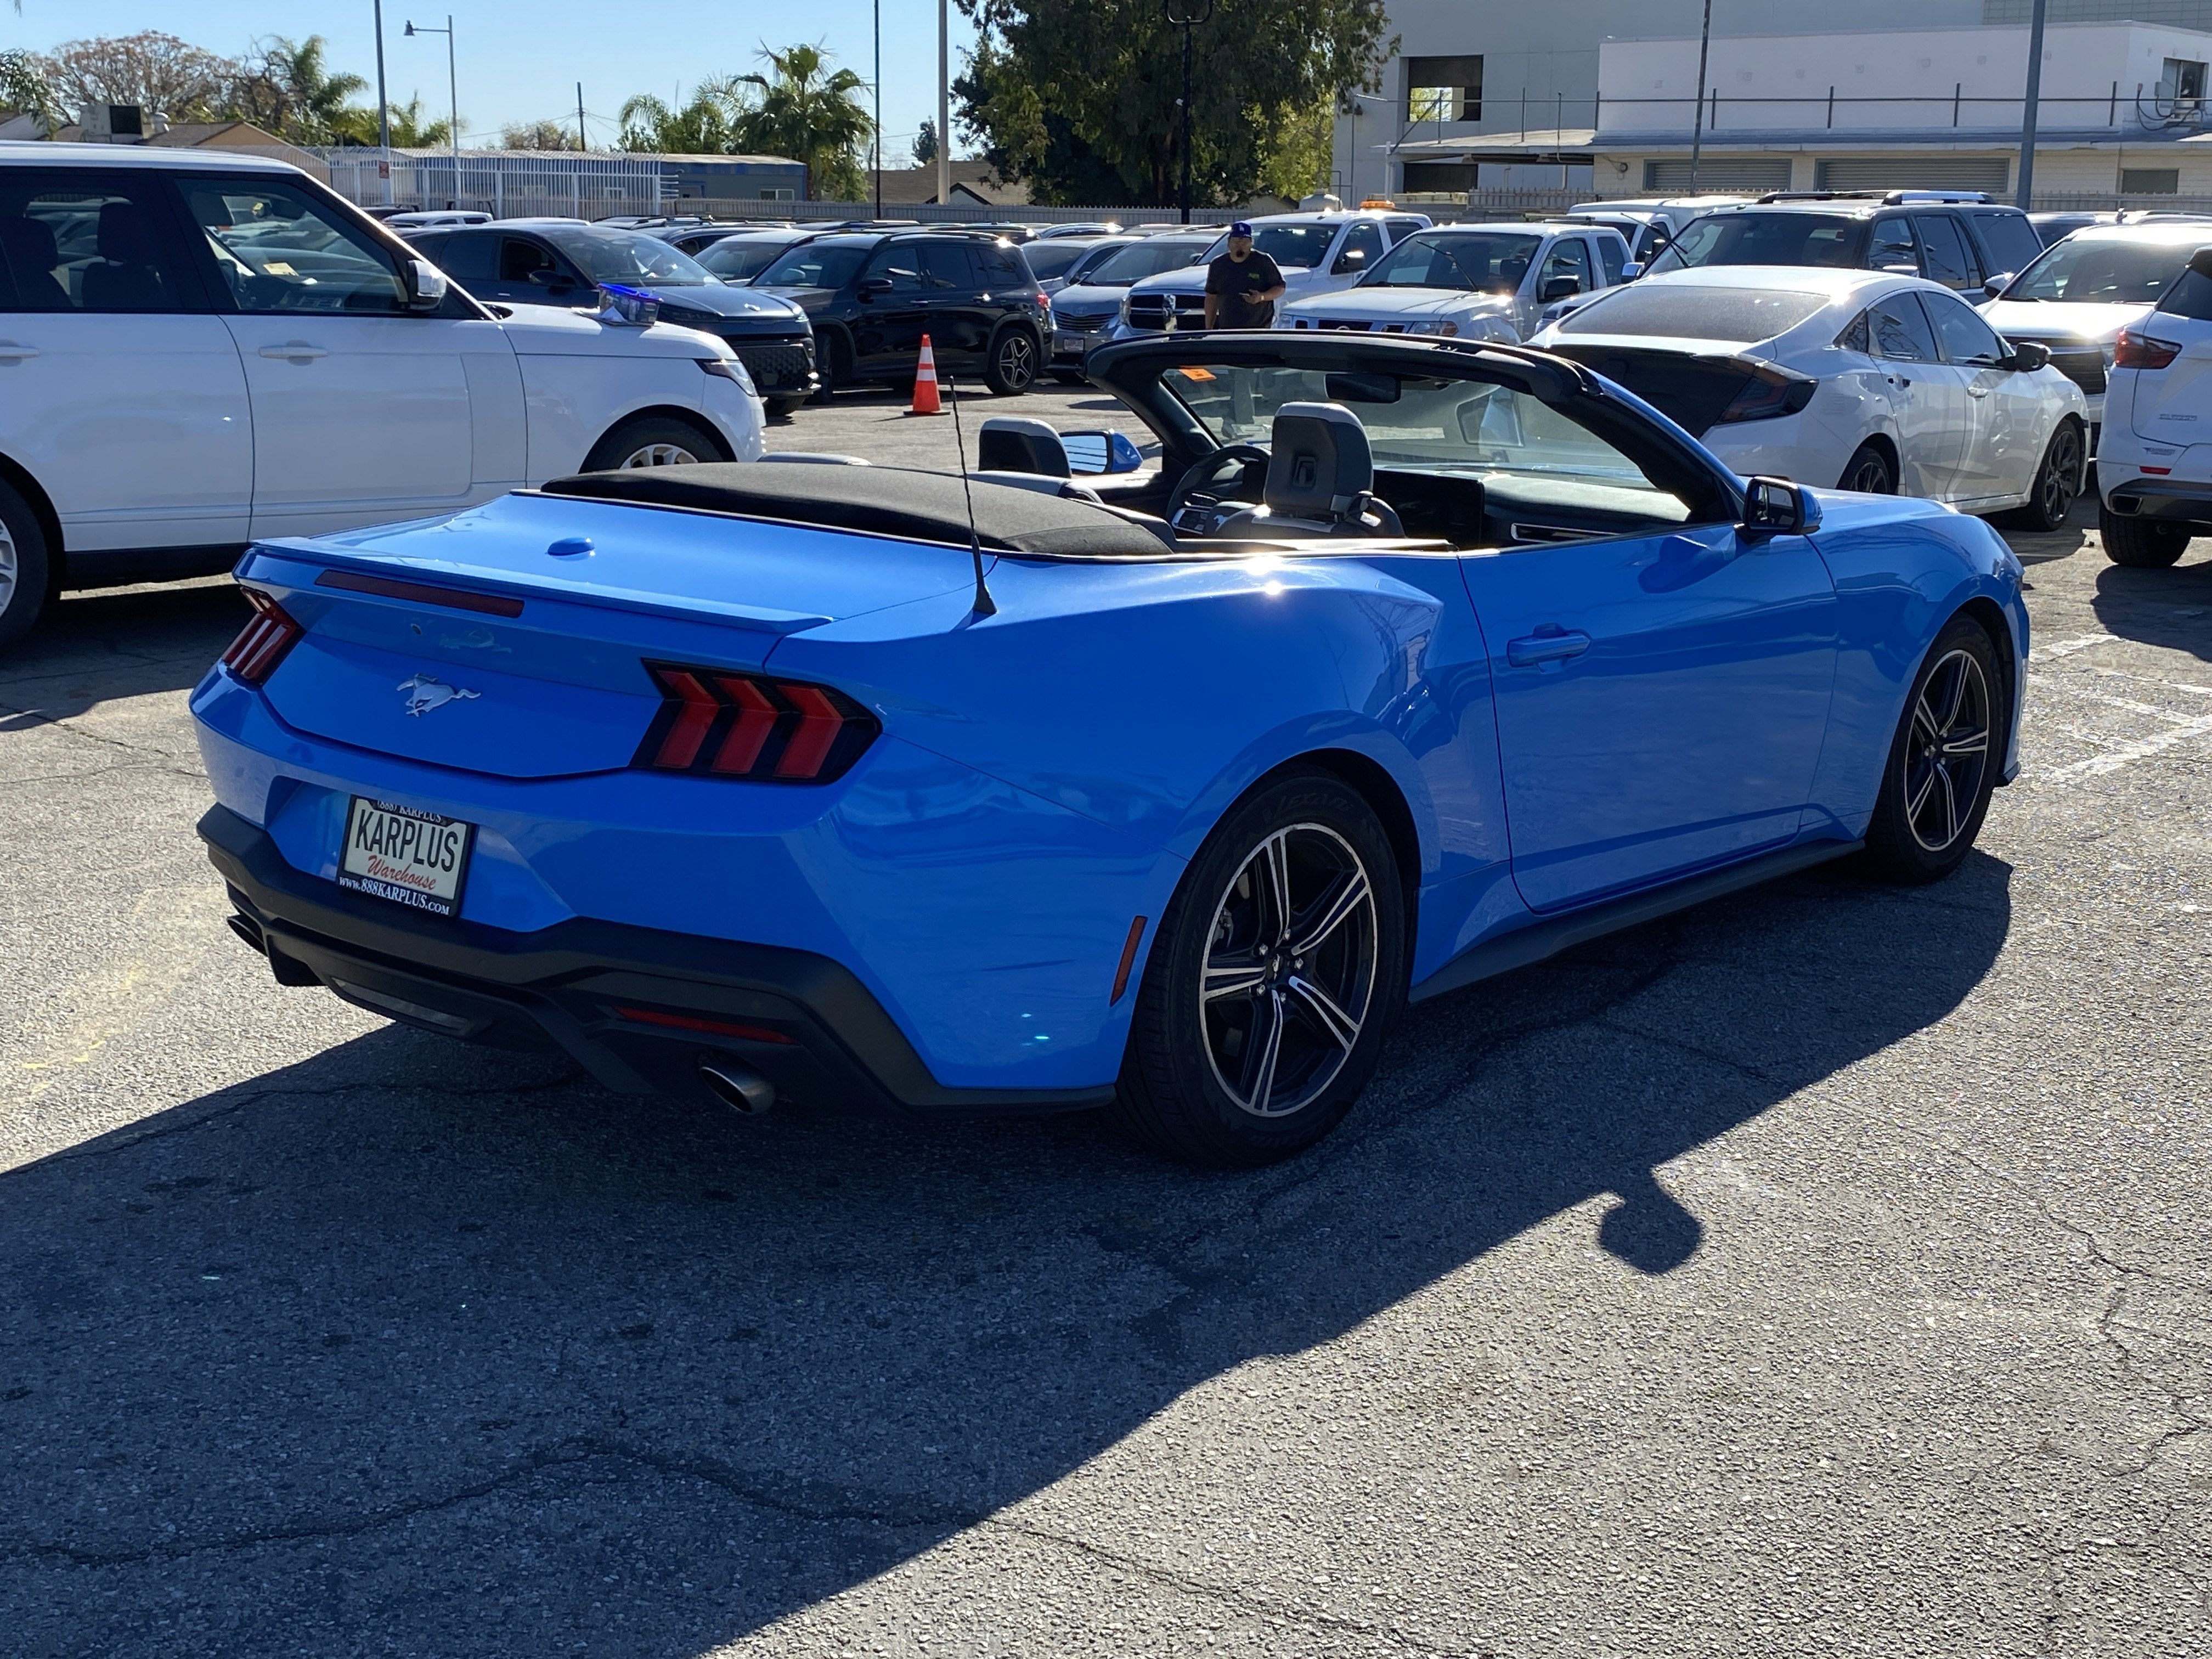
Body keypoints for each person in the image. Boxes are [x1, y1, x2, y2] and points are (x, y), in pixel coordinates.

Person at [1203, 222, 1286, 330]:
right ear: (1229, 243)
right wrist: (1209, 328)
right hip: (1227, 329)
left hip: (1258, 329)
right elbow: (1211, 298)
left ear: (1252, 243)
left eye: (1245, 241)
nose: (1240, 245)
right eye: (1236, 241)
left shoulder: (1263, 261)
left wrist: (1261, 297)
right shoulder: (1218, 264)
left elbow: (1280, 288)